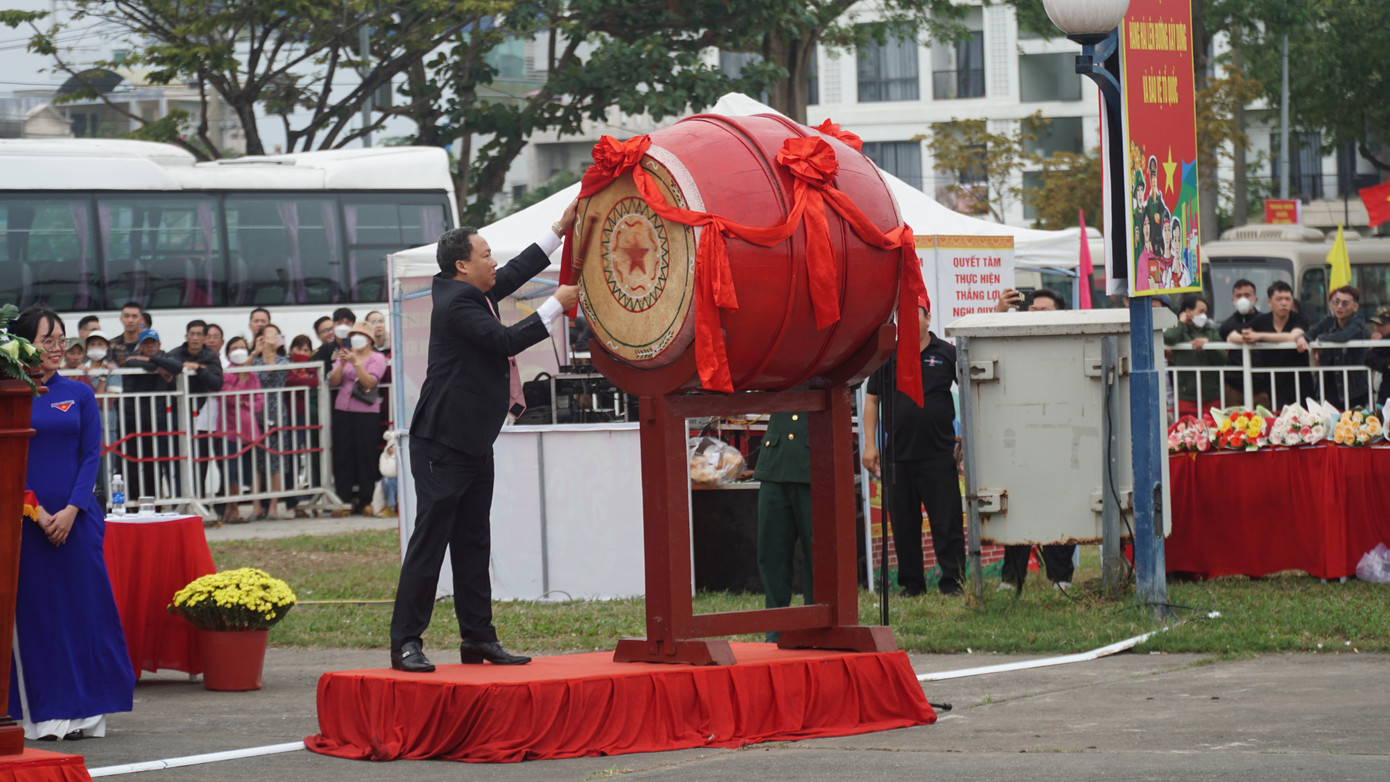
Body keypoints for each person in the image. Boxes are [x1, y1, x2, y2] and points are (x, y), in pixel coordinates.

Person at [388, 201, 581, 672]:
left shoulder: (473, 291)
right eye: (486, 255)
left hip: (473, 439)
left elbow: (513, 274)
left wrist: (559, 230)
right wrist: (558, 303)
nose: (494, 262)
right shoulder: (456, 304)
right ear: (462, 265)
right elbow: (505, 342)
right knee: (430, 545)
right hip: (443, 444)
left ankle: (478, 639)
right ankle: (406, 642)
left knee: (474, 542)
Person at [8, 306, 136, 740]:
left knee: (84, 613)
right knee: (37, 617)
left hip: (77, 522)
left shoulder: (79, 392)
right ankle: (39, 716)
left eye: (63, 340)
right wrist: (38, 512)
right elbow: (8, 463)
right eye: (49, 340)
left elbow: (89, 455)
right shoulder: (9, 393)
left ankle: (85, 713)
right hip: (25, 525)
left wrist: (72, 509)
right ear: (24, 345)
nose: (58, 348)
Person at [861, 293, 964, 597]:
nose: (905, 321)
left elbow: (971, 391)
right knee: (905, 527)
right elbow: (871, 401)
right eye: (899, 316)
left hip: (938, 455)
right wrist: (869, 444)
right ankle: (911, 586)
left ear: (928, 318)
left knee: (947, 525)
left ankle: (953, 584)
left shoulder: (947, 353)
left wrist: (967, 437)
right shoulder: (886, 356)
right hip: (898, 458)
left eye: (913, 314)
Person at [992, 289, 1078, 593]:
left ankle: (1061, 578)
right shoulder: (1017, 338)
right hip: (1021, 437)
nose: (1036, 314)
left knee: (1061, 503)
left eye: (1044, 310)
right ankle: (1011, 579)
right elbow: (989, 343)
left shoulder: (1072, 340)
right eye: (1032, 309)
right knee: (1018, 504)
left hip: (1060, 436)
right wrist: (1000, 311)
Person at [754, 412, 812, 640]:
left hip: (813, 462)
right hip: (776, 463)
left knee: (818, 554)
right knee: (772, 554)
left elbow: (851, 380)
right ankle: (775, 629)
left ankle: (815, 626)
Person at [328, 322, 386, 517]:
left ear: (369, 340)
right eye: (353, 335)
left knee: (366, 455)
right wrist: (342, 364)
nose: (356, 339)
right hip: (343, 410)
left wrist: (356, 363)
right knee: (343, 454)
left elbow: (370, 382)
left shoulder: (377, 358)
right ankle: (343, 499)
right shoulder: (345, 355)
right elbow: (334, 381)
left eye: (360, 335)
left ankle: (366, 499)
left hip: (366, 412)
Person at [121, 328, 183, 500]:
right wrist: (157, 364)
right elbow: (130, 363)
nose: (149, 346)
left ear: (159, 344)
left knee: (157, 465)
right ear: (140, 346)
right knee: (132, 465)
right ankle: (134, 504)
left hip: (158, 420)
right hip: (134, 420)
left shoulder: (165, 358)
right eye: (146, 344)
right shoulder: (133, 359)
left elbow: (177, 366)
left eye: (152, 343)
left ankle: (155, 504)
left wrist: (153, 360)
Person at [168, 320, 224, 507]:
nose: (195, 338)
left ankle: (197, 499)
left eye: (199, 334)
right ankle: (178, 501)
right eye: (191, 334)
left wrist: (198, 369)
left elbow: (216, 383)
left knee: (199, 459)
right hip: (174, 415)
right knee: (176, 460)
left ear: (205, 338)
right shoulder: (176, 353)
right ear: (186, 336)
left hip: (199, 417)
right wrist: (183, 366)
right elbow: (166, 366)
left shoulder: (210, 357)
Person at [1228, 280, 1309, 409]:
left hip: (1299, 382)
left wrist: (1259, 336)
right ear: (1269, 302)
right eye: (1279, 299)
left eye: (1287, 299)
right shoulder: (1261, 320)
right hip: (1272, 384)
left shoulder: (1300, 318)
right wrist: (1247, 338)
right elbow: (1232, 336)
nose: (1283, 303)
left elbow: (1291, 337)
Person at [1299, 285, 1369, 409]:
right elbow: (1310, 333)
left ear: (1355, 307)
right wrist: (1302, 338)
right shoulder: (1328, 320)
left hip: (1353, 389)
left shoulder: (1357, 321)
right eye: (1336, 302)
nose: (1339, 307)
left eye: (1345, 303)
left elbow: (1344, 335)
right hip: (1328, 387)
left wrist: (1321, 339)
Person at [219, 337, 262, 524]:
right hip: (229, 430)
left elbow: (259, 403)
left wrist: (244, 401)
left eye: (242, 347)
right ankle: (233, 509)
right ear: (228, 353)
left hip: (249, 431)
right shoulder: (226, 373)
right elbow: (228, 398)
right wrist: (241, 386)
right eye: (235, 348)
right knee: (231, 472)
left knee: (245, 472)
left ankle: (231, 509)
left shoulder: (253, 375)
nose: (239, 351)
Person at [1163, 293, 1226, 417]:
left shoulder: (1211, 332)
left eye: (1205, 312)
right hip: (1186, 395)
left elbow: (1223, 358)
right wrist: (1181, 322)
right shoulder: (1180, 331)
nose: (1204, 316)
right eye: (1201, 311)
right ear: (1188, 311)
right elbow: (1169, 338)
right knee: (1186, 431)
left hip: (1212, 395)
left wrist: (1208, 345)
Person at [251, 323, 290, 519]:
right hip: (256, 413)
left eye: (274, 335)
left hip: (276, 414)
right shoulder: (255, 360)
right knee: (256, 463)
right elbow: (246, 373)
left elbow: (275, 373)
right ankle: (256, 504)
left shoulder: (283, 360)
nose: (270, 339)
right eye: (267, 335)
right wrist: (257, 351)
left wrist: (270, 353)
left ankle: (274, 505)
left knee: (275, 460)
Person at [283, 334, 320, 518]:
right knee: (292, 456)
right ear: (291, 350)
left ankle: (315, 496)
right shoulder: (287, 366)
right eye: (298, 349)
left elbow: (315, 382)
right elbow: (288, 381)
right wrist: (304, 380)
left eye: (306, 350)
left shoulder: (313, 368)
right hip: (290, 416)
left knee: (313, 454)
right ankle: (291, 500)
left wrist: (303, 380)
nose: (302, 353)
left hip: (309, 416)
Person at [313, 307, 356, 374]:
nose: (343, 327)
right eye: (339, 323)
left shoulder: (360, 346)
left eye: (347, 324)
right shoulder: (325, 349)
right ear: (333, 326)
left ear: (353, 326)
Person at [1363, 307, 1390, 408]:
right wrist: (1387, 363)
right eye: (1376, 325)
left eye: (1381, 325)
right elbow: (1369, 358)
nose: (1377, 328)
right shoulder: (1382, 342)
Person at [111, 301, 144, 367]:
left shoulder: (146, 343)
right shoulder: (111, 344)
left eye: (134, 316)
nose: (130, 320)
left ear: (141, 319)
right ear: (121, 319)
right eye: (126, 316)